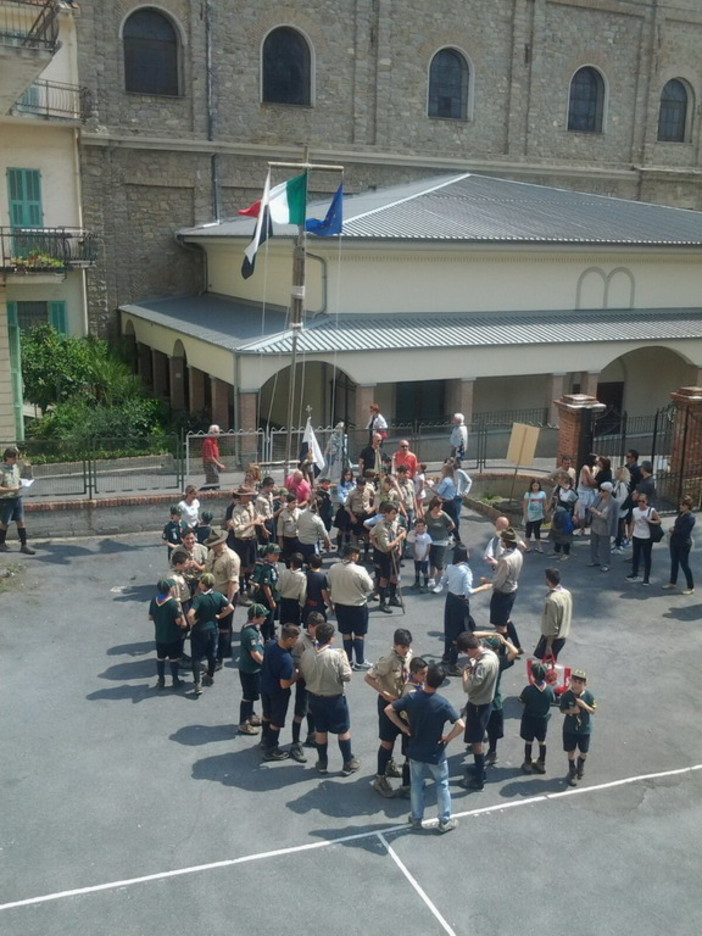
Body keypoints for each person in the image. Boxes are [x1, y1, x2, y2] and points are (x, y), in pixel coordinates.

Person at [385, 663, 464, 833]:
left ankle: (416, 818)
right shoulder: (442, 703)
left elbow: (389, 709)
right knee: (442, 784)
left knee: (416, 785)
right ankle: (444, 820)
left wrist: (403, 727)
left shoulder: (412, 698)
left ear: (426, 678)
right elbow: (460, 725)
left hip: (415, 749)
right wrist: (448, 738)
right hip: (435, 752)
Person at [299, 620, 360, 776]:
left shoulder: (307, 654)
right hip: (335, 699)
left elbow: (304, 673)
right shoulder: (337, 654)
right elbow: (346, 676)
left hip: (314, 698)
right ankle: (347, 762)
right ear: (331, 638)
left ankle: (322, 763)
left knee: (320, 731)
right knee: (343, 730)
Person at [364, 628, 413, 797]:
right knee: (387, 741)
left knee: (407, 737)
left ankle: (391, 766)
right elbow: (369, 677)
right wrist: (384, 693)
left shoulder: (409, 655)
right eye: (401, 647)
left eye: (406, 647)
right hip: (389, 704)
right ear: (395, 645)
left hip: (404, 705)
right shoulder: (388, 660)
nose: (405, 650)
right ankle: (381, 777)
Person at [435, 545, 493, 676]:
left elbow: (444, 581)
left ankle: (446, 655)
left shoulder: (450, 567)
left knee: (449, 628)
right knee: (462, 632)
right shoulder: (465, 571)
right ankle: (453, 663)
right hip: (461, 603)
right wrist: (483, 588)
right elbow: (468, 592)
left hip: (450, 600)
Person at [456, 632, 500, 791]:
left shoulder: (482, 664)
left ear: (469, 649)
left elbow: (468, 687)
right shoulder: (491, 655)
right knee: (477, 738)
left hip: (478, 705)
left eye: (466, 651)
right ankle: (478, 767)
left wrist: (465, 673)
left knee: (476, 741)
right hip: (487, 700)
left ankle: (479, 778)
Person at [327, 544, 374, 668]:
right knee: (359, 634)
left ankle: (348, 660)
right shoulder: (360, 570)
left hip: (341, 606)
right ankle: (360, 661)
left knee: (346, 633)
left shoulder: (333, 568)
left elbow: (329, 583)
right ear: (353, 556)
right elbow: (369, 587)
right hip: (358, 606)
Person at [187, 573, 235, 696]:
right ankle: (210, 675)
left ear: (202, 584)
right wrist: (219, 616)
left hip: (199, 630)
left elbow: (190, 614)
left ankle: (197, 683)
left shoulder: (199, 599)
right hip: (213, 628)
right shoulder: (218, 596)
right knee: (212, 654)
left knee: (196, 657)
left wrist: (192, 622)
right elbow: (230, 607)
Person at [260, 624, 300, 761]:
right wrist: (297, 675)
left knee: (266, 714)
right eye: (295, 638)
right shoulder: (286, 660)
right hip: (278, 693)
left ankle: (264, 739)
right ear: (289, 639)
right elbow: (284, 684)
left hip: (264, 686)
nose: (297, 641)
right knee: (276, 721)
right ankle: (271, 749)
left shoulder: (271, 645)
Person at [482, 527, 524, 653]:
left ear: (506, 542)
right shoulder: (517, 554)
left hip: (503, 592)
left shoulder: (505, 558)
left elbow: (499, 581)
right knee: (505, 619)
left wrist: (487, 581)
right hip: (512, 588)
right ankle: (517, 645)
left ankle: (502, 652)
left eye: (502, 539)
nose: (500, 541)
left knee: (500, 626)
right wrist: (497, 563)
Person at [290, 611, 324, 759]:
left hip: (316, 682)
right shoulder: (300, 642)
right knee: (300, 712)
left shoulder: (319, 639)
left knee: (313, 709)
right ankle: (295, 744)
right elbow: (296, 664)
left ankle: (312, 734)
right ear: (310, 626)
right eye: (318, 628)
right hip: (304, 682)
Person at [204, 527, 240, 666]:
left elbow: (232, 583)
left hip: (225, 594)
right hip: (212, 592)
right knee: (215, 624)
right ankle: (225, 649)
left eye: (214, 543)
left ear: (222, 542)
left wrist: (228, 603)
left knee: (224, 626)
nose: (211, 546)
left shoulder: (231, 558)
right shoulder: (212, 553)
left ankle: (219, 657)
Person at [148, 578, 187, 690]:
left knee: (160, 658)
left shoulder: (154, 600)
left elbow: (150, 617)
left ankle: (161, 680)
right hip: (172, 636)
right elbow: (179, 622)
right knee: (173, 659)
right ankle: (175, 680)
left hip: (160, 636)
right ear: (170, 589)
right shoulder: (173, 603)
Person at [560, 668, 597, 786]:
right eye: (575, 682)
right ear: (571, 681)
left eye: (580, 683)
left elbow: (593, 711)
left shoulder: (589, 696)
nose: (577, 685)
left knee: (584, 752)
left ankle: (580, 765)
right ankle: (572, 770)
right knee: (570, 751)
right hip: (570, 729)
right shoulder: (566, 695)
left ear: (585, 684)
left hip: (584, 729)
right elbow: (562, 709)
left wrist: (584, 705)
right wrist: (572, 710)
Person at [518, 662, 555, 774]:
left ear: (533, 675)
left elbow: (522, 700)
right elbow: (553, 700)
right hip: (542, 719)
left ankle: (528, 762)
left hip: (529, 718)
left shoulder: (528, 689)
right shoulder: (549, 690)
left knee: (529, 740)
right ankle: (541, 762)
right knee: (542, 741)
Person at [370, 502, 407, 613]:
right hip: (385, 555)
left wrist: (399, 547)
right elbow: (386, 546)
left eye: (396, 513)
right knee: (384, 578)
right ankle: (382, 602)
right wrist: (376, 545)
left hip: (395, 553)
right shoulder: (382, 527)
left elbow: (398, 531)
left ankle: (392, 598)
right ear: (385, 514)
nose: (395, 516)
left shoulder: (394, 521)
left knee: (395, 576)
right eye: (393, 513)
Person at [226, 486, 261, 598]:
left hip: (252, 539)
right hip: (242, 541)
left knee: (251, 564)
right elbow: (238, 529)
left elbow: (256, 517)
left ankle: (248, 586)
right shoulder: (237, 510)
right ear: (242, 497)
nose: (251, 497)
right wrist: (253, 523)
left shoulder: (251, 505)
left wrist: (262, 527)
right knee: (242, 567)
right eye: (248, 495)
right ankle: (242, 591)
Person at [237, 604, 268, 735]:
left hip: (252, 669)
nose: (265, 618)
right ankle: (244, 722)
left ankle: (250, 715)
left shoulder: (252, 628)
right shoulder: (250, 633)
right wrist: (265, 664)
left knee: (253, 694)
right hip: (250, 670)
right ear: (255, 617)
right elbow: (254, 653)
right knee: (248, 696)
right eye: (263, 616)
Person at [626, 492, 661, 586]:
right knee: (635, 555)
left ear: (647, 501)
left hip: (647, 537)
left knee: (647, 557)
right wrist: (630, 534)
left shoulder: (651, 510)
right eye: (639, 501)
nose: (641, 503)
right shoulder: (635, 510)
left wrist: (649, 521)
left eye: (643, 501)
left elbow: (658, 521)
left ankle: (646, 578)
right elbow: (633, 522)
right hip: (637, 535)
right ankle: (634, 573)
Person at [537, 567, 572, 661]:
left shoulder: (552, 600)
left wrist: (549, 645)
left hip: (553, 639)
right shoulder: (566, 593)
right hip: (563, 634)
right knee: (553, 661)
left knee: (547, 665)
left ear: (548, 580)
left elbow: (552, 624)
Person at [664, 495, 696, 594]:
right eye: (681, 504)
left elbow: (685, 531)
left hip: (683, 543)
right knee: (674, 563)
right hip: (675, 542)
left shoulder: (690, 517)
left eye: (683, 504)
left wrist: (674, 530)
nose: (680, 506)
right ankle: (672, 582)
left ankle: (690, 587)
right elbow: (677, 525)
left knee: (684, 564)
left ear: (688, 506)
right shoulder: (681, 514)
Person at [250, 543, 282, 641]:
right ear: (268, 554)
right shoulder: (266, 568)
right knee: (266, 620)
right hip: (266, 599)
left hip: (275, 596)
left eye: (278, 554)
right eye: (274, 555)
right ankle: (266, 638)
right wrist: (271, 600)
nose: (277, 557)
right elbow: (266, 586)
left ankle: (272, 634)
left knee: (271, 619)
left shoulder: (273, 566)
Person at [425, 495, 456, 587]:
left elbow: (452, 525)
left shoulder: (443, 515)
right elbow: (425, 524)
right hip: (431, 541)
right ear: (433, 506)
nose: (439, 508)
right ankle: (431, 579)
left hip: (442, 541)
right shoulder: (428, 514)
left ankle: (443, 578)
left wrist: (446, 532)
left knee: (439, 561)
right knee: (432, 560)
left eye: (441, 506)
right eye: (438, 506)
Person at [588, 481, 618, 571]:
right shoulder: (598, 498)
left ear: (608, 492)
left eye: (603, 491)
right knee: (593, 544)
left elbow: (609, 517)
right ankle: (595, 560)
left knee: (605, 546)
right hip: (595, 524)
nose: (601, 492)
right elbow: (591, 507)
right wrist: (596, 512)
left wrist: (596, 512)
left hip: (604, 526)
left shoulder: (614, 503)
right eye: (600, 490)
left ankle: (606, 564)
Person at [278, 552, 307, 625]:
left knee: (284, 624)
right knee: (294, 625)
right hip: (295, 603)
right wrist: (302, 604)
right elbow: (303, 593)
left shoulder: (284, 573)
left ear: (291, 563)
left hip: (284, 601)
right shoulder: (302, 576)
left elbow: (277, 587)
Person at [302, 554, 331, 622]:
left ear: (310, 564)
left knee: (309, 623)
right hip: (318, 605)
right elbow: (324, 594)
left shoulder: (305, 575)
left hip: (308, 604)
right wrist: (330, 605)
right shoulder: (322, 577)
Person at [575, 454, 597, 533]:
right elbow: (585, 483)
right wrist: (593, 483)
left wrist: (592, 483)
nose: (597, 461)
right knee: (582, 512)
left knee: (593, 509)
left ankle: (591, 526)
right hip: (582, 492)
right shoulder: (585, 468)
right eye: (595, 459)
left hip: (590, 491)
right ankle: (582, 528)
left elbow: (592, 481)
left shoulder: (594, 468)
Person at [523, 479, 547, 552]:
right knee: (528, 532)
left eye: (537, 485)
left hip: (538, 516)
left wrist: (547, 513)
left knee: (537, 531)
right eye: (534, 485)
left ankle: (539, 547)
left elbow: (545, 504)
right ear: (531, 486)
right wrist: (525, 515)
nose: (535, 487)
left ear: (539, 486)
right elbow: (525, 505)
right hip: (530, 516)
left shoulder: (542, 493)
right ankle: (528, 546)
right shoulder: (528, 494)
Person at [408, 517, 432, 592]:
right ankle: (417, 582)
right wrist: (415, 555)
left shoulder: (427, 536)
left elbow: (428, 547)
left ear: (425, 527)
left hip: (424, 557)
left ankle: (426, 585)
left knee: (424, 571)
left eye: (422, 526)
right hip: (417, 557)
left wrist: (425, 556)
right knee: (417, 570)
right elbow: (413, 545)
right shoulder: (414, 536)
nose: (420, 528)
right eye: (418, 526)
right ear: (415, 527)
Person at [277, 493, 301, 563]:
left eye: (296, 502)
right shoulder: (282, 514)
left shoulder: (299, 512)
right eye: (293, 503)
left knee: (298, 558)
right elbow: (280, 530)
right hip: (288, 539)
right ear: (288, 503)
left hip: (298, 538)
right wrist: (280, 542)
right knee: (288, 559)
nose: (295, 505)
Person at [612, 465, 630, 552]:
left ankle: (618, 544)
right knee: (619, 526)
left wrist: (614, 505)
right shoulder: (618, 483)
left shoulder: (622, 485)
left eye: (617, 472)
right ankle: (617, 542)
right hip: (619, 509)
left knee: (619, 527)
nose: (615, 473)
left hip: (620, 510)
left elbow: (621, 499)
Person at [202, 424, 225, 489]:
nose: (219, 434)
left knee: (211, 482)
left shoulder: (214, 441)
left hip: (214, 464)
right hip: (210, 464)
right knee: (214, 480)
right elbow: (210, 457)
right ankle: (217, 493)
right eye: (217, 432)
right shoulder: (208, 442)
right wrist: (219, 465)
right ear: (212, 432)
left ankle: (199, 493)